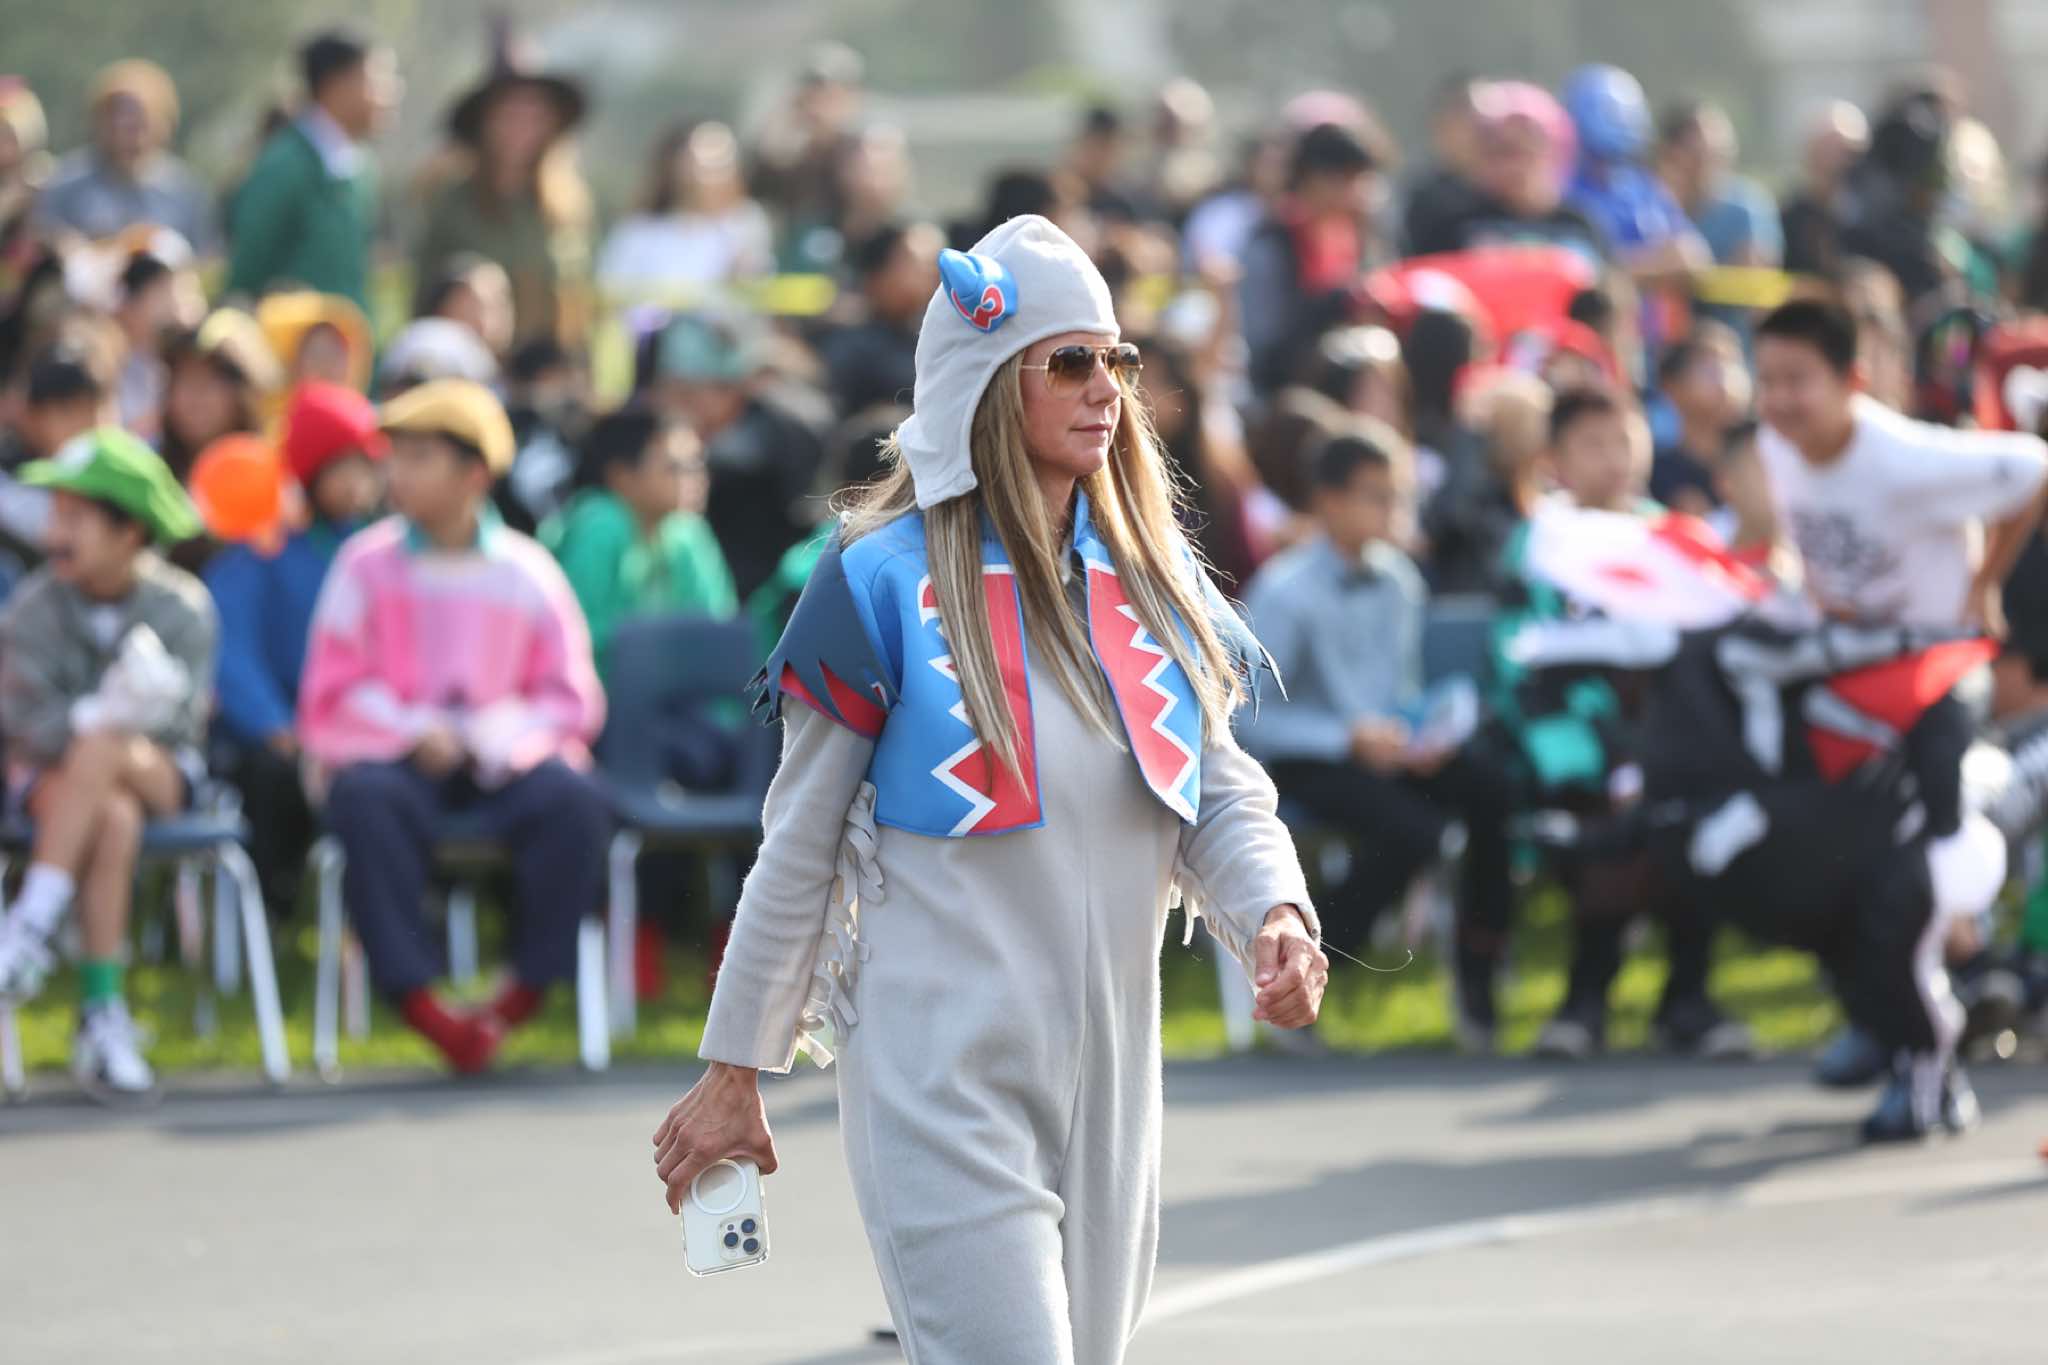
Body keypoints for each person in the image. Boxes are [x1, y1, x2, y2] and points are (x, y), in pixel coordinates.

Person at [651, 216, 1324, 1363]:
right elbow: (797, 847)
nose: (1105, 386)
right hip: (935, 1077)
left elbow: (1217, 789)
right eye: (1068, 360)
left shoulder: (1151, 579)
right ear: (983, 382)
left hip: (1113, 1083)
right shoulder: (873, 580)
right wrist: (733, 1070)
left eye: (1116, 358)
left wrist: (1276, 910)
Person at [297, 378, 609, 1075]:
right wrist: (414, 729)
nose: (396, 475)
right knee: (363, 799)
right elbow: (332, 688)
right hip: (400, 762)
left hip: (503, 763)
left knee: (577, 802)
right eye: (395, 457)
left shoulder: (528, 570)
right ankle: (423, 1006)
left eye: (419, 458)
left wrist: (499, 732)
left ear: (474, 473)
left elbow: (570, 696)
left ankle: (517, 998)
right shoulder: (364, 565)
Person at [1499, 387, 1750, 1059]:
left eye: (1624, 441)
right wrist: (1588, 757)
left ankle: (1686, 998)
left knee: (1694, 810)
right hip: (1569, 738)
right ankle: (1588, 1000)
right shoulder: (1540, 542)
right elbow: (1517, 656)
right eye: (1593, 444)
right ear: (1556, 458)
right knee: (1610, 819)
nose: (1613, 458)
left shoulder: (1674, 537)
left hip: (1671, 733)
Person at [1753, 298, 2048, 845]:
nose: (1778, 399)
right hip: (1840, 653)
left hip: (1931, 662)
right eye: (1766, 381)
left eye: (1796, 381)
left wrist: (1985, 584)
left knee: (1938, 820)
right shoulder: (1775, 442)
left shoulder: (1905, 458)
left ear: (1853, 381)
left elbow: (2034, 468)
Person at [1242, 430, 1512, 988]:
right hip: (1310, 760)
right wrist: (1347, 738)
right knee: (1413, 829)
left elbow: (1403, 689)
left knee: (1493, 787)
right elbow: (1248, 718)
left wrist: (1422, 736)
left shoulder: (1398, 580)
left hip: (1389, 749)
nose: (1394, 510)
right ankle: (1303, 967)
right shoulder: (1284, 591)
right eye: (1377, 496)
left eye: (1399, 496)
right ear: (1328, 501)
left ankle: (1481, 961)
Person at [0, 427, 213, 1101]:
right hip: (54, 778)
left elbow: (184, 725)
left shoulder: (182, 607)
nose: (56, 532)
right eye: (56, 514)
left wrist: (127, 714)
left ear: (130, 533)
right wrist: (91, 716)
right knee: (112, 818)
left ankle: (30, 924)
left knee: (106, 748)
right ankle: (102, 1014)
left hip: (160, 775)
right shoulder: (34, 606)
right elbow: (23, 721)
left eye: (77, 517)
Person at [205, 382, 387, 912]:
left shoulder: (377, 550)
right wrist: (277, 726)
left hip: (356, 734)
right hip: (277, 737)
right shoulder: (263, 548)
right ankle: (272, 912)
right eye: (342, 468)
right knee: (273, 780)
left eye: (365, 467)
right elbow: (230, 652)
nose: (357, 484)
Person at [415, 43, 591, 348]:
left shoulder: (567, 208)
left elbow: (579, 303)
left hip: (545, 364)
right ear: (485, 122)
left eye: (534, 116)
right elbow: (425, 298)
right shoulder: (452, 204)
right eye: (510, 114)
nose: (521, 128)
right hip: (472, 360)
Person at [540, 403, 736, 672]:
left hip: (671, 689)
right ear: (621, 475)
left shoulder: (687, 532)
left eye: (698, 463)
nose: (696, 477)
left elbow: (717, 627)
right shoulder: (601, 524)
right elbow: (578, 637)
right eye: (676, 466)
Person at [645, 311, 826, 598]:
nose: (672, 404)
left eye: (687, 394)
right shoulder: (669, 438)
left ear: (732, 390)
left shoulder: (776, 435)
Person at [226, 29, 395, 310]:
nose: (389, 94)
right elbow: (248, 274)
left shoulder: (362, 170)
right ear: (336, 85)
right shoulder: (283, 166)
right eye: (376, 79)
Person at [1239, 121, 1386, 398]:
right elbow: (1265, 341)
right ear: (1312, 178)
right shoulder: (1273, 242)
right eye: (1345, 179)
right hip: (1284, 391)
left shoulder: (1359, 234)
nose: (1356, 191)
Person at [1407, 81, 1607, 265]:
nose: (1510, 166)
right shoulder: (1451, 222)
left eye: (1520, 151)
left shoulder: (1576, 224)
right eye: (1497, 151)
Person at [36, 60, 215, 254]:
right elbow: (43, 241)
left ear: (163, 125)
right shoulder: (65, 185)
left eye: (136, 125)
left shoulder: (185, 193)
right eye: (114, 122)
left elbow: (205, 257)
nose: (124, 137)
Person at [595, 121, 774, 294]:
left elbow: (758, 283)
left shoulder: (744, 222)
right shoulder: (637, 232)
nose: (710, 171)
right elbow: (613, 288)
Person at [815, 220, 941, 415]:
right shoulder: (846, 338)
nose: (930, 274)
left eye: (932, 265)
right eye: (917, 265)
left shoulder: (941, 338)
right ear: (877, 272)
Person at [1655, 100, 1781, 268]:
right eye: (1699, 155)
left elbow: (1755, 269)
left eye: (1720, 155)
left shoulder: (1748, 208)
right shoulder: (1649, 206)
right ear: (1670, 154)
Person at [159, 309, 280, 483]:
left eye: (210, 380)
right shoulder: (153, 472)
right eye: (185, 380)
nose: (196, 395)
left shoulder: (270, 470)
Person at [1649, 323, 1751, 516]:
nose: (1727, 382)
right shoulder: (1655, 473)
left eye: (1734, 366)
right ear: (1671, 386)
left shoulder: (1763, 461)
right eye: (1710, 370)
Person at [1780, 101, 1870, 280]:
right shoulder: (1788, 219)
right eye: (1825, 150)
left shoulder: (1876, 219)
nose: (1835, 162)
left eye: (1847, 152)